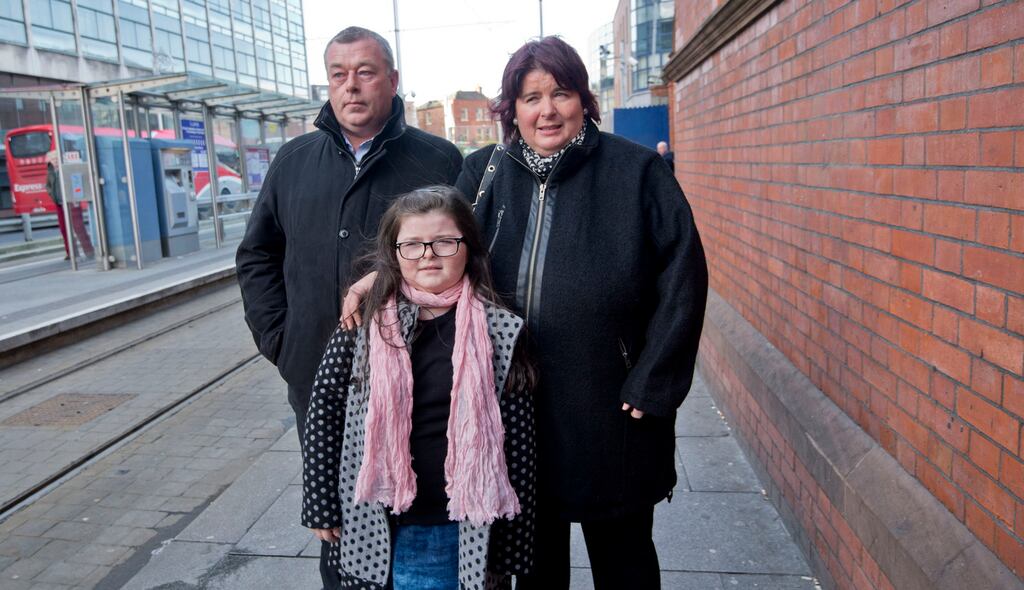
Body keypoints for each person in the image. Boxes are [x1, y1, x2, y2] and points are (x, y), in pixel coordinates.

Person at [343, 36, 707, 589]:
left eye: (560, 93)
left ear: (583, 99)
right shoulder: (485, 171)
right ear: (511, 108)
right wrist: (381, 277)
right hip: (514, 407)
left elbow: (684, 279)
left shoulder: (635, 173)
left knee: (625, 558)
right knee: (533, 566)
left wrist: (655, 379)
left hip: (611, 406)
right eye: (530, 97)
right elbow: (434, 238)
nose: (546, 110)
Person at [234, 26, 462, 589]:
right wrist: (281, 341)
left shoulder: (439, 159)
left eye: (365, 72)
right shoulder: (293, 161)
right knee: (336, 527)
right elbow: (257, 254)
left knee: (411, 520)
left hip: (417, 383)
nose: (351, 87)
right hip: (319, 377)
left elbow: (467, 259)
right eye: (339, 75)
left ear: (392, 80)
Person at [302, 187, 536, 589]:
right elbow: (324, 409)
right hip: (377, 519)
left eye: (444, 242)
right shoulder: (364, 324)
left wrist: (515, 540)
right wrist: (320, 503)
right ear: (393, 254)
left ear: (469, 247)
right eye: (411, 244)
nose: (428, 254)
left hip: (462, 524)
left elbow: (519, 442)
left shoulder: (499, 330)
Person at [45, 150, 95, 260]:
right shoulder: (51, 171)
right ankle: (71, 252)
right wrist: (52, 195)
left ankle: (89, 250)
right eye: (52, 160)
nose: (55, 162)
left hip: (71, 202)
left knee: (78, 227)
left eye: (56, 159)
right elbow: (48, 185)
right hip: (59, 202)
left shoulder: (66, 169)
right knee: (64, 229)